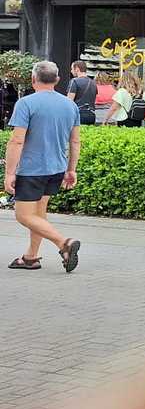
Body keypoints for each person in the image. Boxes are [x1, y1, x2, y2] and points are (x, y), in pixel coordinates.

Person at [4, 61, 81, 272]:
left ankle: (64, 243)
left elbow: (17, 141)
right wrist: (71, 169)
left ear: (33, 79)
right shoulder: (70, 105)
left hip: (32, 169)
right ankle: (31, 257)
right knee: (38, 213)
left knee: (23, 215)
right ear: (57, 80)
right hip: (56, 168)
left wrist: (9, 173)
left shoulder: (26, 103)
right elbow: (75, 141)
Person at [66, 60, 98, 126]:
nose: (71, 71)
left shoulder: (74, 81)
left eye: (72, 69)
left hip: (78, 114)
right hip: (91, 115)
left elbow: (69, 102)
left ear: (77, 69)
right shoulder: (93, 83)